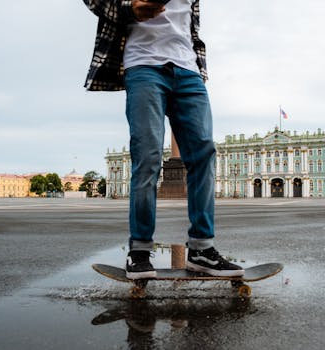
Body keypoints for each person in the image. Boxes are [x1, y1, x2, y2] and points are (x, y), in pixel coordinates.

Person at [83, 0, 244, 279]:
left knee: (204, 152)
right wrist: (127, 7)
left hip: (187, 68)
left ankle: (202, 249)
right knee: (148, 156)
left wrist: (197, 68)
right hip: (143, 63)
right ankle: (140, 250)